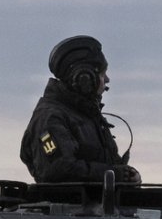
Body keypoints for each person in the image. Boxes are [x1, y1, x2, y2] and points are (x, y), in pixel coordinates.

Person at [19, 36, 140, 185]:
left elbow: (111, 165)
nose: (107, 79)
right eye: (102, 74)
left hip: (100, 205)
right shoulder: (50, 118)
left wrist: (128, 174)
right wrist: (114, 174)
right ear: (85, 79)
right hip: (75, 205)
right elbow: (58, 169)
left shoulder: (88, 117)